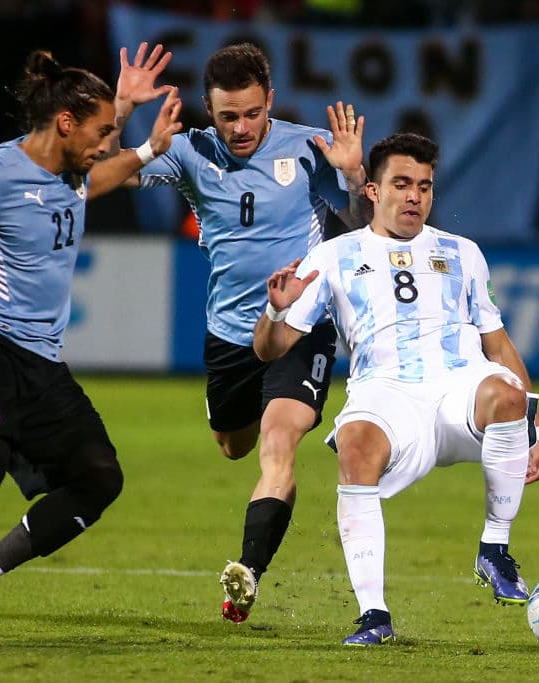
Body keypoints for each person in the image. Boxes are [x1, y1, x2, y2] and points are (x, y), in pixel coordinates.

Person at [0, 43, 182, 644]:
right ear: (65, 123)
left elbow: (99, 176)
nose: (109, 140)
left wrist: (140, 136)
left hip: (43, 363)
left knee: (100, 479)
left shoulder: (69, 174)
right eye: (101, 129)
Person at [252, 132, 539, 646]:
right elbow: (270, 350)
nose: (415, 196)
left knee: (508, 395)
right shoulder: (332, 255)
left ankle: (494, 550)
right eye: (403, 184)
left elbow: (498, 344)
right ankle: (374, 616)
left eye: (425, 186)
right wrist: (277, 309)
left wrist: (537, 428)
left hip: (459, 387)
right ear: (372, 190)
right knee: (356, 445)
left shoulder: (465, 253)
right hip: (384, 391)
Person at [113, 42, 370, 623]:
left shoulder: (309, 147)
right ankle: (254, 518)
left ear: (270, 103)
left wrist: (353, 176)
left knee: (280, 445)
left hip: (299, 326)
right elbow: (100, 168)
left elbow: (361, 229)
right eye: (228, 116)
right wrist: (124, 109)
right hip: (229, 334)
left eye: (253, 114)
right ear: (209, 108)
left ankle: (246, 573)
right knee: (235, 446)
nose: (241, 127)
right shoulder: (186, 151)